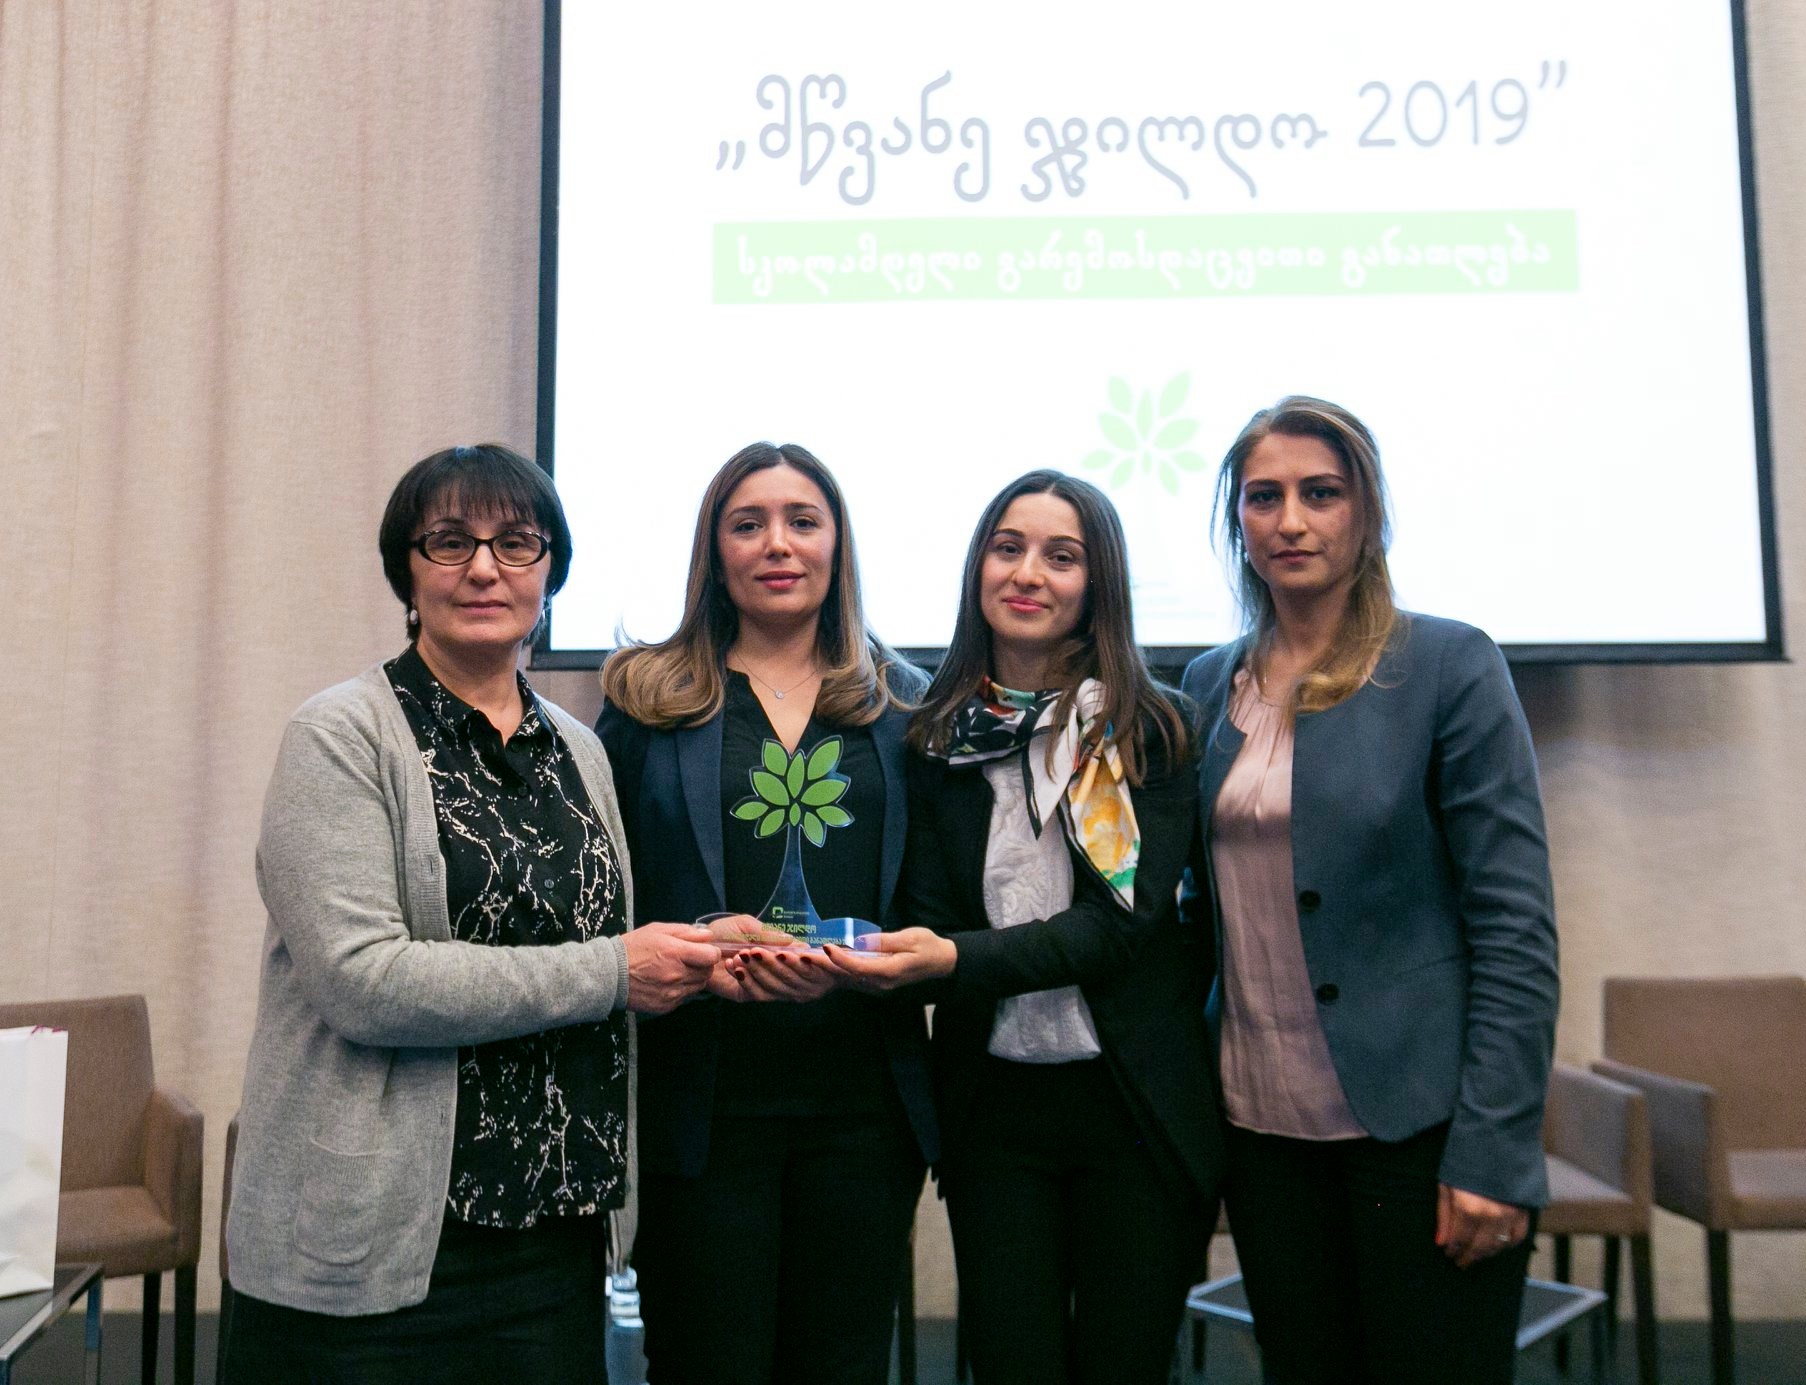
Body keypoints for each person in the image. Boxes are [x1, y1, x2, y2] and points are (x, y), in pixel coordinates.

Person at [221, 445, 725, 1384]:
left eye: (516, 541)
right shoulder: (338, 735)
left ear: (550, 570)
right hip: (376, 1250)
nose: (485, 567)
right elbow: (364, 980)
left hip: (556, 1237)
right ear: (406, 573)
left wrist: (698, 953)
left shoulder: (578, 749)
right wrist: (617, 969)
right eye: (450, 541)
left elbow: (596, 944)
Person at [1181, 396, 1560, 1384]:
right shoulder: (1208, 685)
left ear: (1367, 511)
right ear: (1238, 520)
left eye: (1321, 493)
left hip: (1418, 1127)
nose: (1290, 520)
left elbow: (1515, 929)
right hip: (1261, 1130)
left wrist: (1493, 1151)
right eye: (1262, 497)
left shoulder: (1447, 664)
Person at [826, 470, 1222, 1385]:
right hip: (994, 1111)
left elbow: (1113, 930)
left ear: (1098, 582)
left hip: (1135, 1110)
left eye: (1061, 555)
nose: (1028, 572)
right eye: (1007, 548)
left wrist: (951, 959)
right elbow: (930, 912)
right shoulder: (939, 737)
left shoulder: (1150, 730)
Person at [594, 441, 938, 1385]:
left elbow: (932, 894)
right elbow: (605, 891)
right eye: (747, 524)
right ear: (716, 552)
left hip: (862, 1111)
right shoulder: (645, 699)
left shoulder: (906, 705)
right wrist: (693, 951)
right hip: (699, 1109)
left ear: (837, 544)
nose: (777, 543)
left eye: (802, 521)